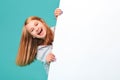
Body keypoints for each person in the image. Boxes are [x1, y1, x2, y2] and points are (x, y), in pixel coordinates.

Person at [16, 8, 62, 74]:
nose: (36, 29)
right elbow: (56, 53)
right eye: (32, 30)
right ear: (33, 36)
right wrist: (47, 58)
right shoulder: (40, 50)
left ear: (42, 22)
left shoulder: (55, 29)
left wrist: (60, 18)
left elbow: (65, 31)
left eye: (36, 24)